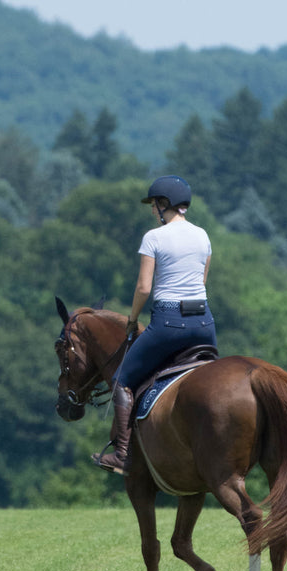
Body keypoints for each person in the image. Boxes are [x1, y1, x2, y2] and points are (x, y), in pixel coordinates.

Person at [92, 175, 217, 475]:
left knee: (122, 379)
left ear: (165, 205)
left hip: (169, 323)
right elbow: (201, 281)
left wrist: (133, 319)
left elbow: (144, 288)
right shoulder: (203, 236)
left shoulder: (154, 238)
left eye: (154, 205)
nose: (152, 211)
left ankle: (122, 454)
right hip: (204, 323)